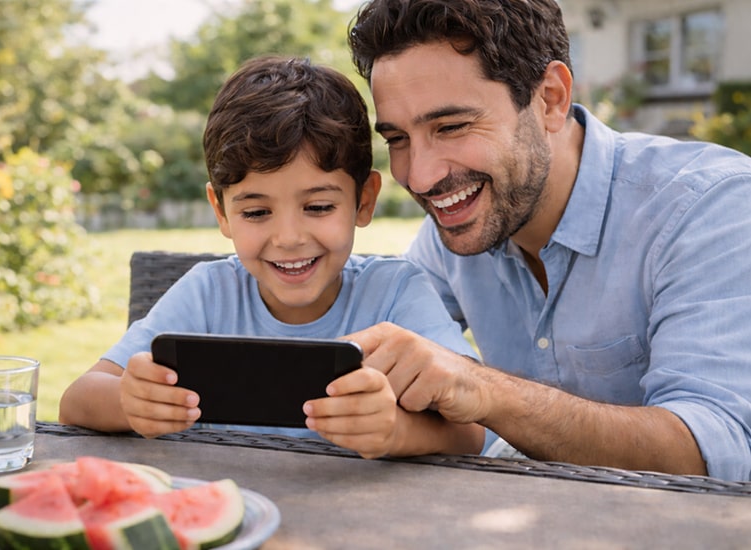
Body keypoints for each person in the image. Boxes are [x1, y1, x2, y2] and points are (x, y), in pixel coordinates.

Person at [340, 0, 751, 480]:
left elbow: (721, 450)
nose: (421, 176)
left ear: (551, 98)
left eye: (451, 127)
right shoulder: (459, 227)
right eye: (397, 139)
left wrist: (485, 392)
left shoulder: (709, 206)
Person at [58, 55, 483, 460]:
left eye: (318, 207)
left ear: (364, 201)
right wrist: (129, 401)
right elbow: (77, 401)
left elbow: (470, 433)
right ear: (221, 212)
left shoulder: (395, 293)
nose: (288, 238)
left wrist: (396, 430)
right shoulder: (207, 293)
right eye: (257, 212)